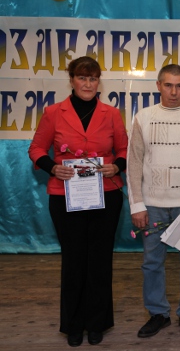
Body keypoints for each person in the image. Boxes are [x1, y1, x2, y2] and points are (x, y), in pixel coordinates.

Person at [28, 56, 128, 347]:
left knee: (99, 260)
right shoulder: (53, 113)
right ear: (71, 80)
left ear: (99, 82)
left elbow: (124, 150)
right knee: (73, 261)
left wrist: (116, 166)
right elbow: (36, 149)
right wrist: (52, 167)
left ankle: (97, 323)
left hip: (106, 195)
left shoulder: (112, 114)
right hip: (65, 196)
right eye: (82, 78)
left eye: (93, 78)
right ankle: (73, 324)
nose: (87, 84)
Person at [127, 64, 180, 339]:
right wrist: (137, 204)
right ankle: (158, 314)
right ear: (158, 85)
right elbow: (134, 163)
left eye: (179, 86)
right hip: (152, 205)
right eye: (168, 85)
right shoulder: (143, 117)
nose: (174, 91)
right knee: (152, 262)